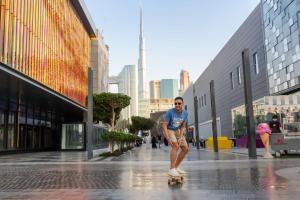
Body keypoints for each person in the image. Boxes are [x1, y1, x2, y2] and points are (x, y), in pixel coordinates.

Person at [162, 97, 189, 177]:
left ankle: (176, 167)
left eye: (179, 103)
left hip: (177, 130)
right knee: (175, 146)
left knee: (185, 149)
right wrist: (168, 138)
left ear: (182, 104)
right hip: (169, 130)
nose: (177, 105)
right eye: (176, 103)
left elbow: (183, 126)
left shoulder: (185, 113)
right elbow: (164, 126)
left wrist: (180, 137)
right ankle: (171, 169)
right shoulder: (170, 112)